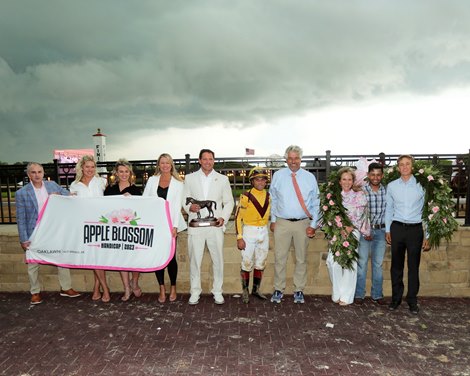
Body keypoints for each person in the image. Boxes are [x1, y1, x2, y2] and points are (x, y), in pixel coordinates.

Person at [16, 162, 81, 304]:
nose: (37, 175)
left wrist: (63, 195)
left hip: (53, 229)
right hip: (34, 231)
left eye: (39, 172)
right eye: (33, 172)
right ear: (29, 175)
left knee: (61, 256)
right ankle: (35, 292)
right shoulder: (21, 193)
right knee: (33, 263)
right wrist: (23, 238)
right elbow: (21, 218)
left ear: (44, 173)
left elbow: (68, 196)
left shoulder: (52, 186)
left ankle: (66, 288)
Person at [182, 149, 234, 305]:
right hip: (196, 227)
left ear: (214, 161)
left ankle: (217, 291)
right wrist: (189, 209)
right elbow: (183, 200)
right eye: (204, 159)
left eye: (210, 159)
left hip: (215, 226)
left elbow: (229, 202)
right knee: (194, 261)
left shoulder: (223, 179)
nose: (207, 162)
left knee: (218, 260)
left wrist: (223, 218)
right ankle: (195, 291)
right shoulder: (190, 179)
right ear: (199, 160)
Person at [269, 145, 319, 304]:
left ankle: (299, 290)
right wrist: (273, 220)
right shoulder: (278, 175)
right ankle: (278, 289)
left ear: (301, 159)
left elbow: (316, 202)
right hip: (282, 222)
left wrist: (314, 224)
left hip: (302, 223)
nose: (293, 161)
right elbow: (273, 199)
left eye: (296, 158)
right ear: (286, 159)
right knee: (279, 257)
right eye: (290, 158)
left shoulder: (309, 177)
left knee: (301, 258)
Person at [385, 154, 430, 315]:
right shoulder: (392, 186)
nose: (404, 167)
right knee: (396, 266)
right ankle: (396, 299)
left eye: (407, 164)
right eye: (401, 164)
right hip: (397, 228)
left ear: (412, 166)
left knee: (413, 267)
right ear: (398, 167)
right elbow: (389, 208)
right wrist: (388, 230)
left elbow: (427, 211)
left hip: (415, 230)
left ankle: (412, 300)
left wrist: (428, 234)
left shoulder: (421, 185)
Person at [143, 153, 187, 303]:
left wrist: (174, 226)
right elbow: (145, 201)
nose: (165, 165)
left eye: (167, 163)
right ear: (158, 165)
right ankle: (161, 288)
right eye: (162, 163)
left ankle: (173, 287)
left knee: (171, 258)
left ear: (171, 165)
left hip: (170, 224)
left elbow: (177, 207)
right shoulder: (151, 180)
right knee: (159, 257)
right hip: (156, 224)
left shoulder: (178, 183)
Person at [326, 167, 370, 306]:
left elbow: (362, 215)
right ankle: (337, 292)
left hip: (353, 231)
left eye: (349, 179)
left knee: (349, 263)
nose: (346, 182)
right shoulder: (333, 196)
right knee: (332, 262)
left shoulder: (359, 195)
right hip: (337, 231)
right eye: (344, 179)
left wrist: (350, 227)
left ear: (353, 181)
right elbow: (329, 215)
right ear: (339, 181)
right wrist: (338, 227)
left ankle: (346, 296)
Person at [70, 155, 110, 302]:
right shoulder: (74, 185)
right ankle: (102, 288)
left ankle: (99, 288)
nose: (90, 170)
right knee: (94, 257)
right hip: (85, 226)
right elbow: (72, 206)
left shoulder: (102, 182)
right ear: (82, 168)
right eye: (87, 167)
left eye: (93, 167)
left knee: (98, 258)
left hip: (101, 225)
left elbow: (112, 197)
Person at [104, 159, 142, 301]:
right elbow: (104, 208)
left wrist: (133, 200)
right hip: (116, 230)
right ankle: (126, 287)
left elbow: (141, 211)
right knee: (122, 259)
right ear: (116, 173)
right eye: (121, 171)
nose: (124, 174)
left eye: (126, 171)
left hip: (131, 230)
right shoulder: (109, 190)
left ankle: (135, 282)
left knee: (134, 258)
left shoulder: (135, 190)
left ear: (130, 173)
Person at [234, 167, 271, 304]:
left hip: (263, 231)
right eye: (257, 179)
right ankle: (245, 291)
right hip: (249, 231)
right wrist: (239, 237)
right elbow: (238, 217)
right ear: (252, 181)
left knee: (261, 262)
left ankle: (256, 289)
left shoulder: (269, 195)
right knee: (247, 261)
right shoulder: (245, 196)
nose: (260, 182)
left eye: (263, 179)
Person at [354, 162, 387, 305]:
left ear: (382, 176)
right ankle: (359, 294)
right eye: (372, 174)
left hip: (380, 231)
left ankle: (377, 295)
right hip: (363, 232)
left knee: (378, 264)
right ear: (368, 175)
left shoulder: (386, 191)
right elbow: (357, 212)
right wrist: (364, 230)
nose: (375, 177)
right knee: (361, 263)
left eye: (378, 175)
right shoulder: (361, 191)